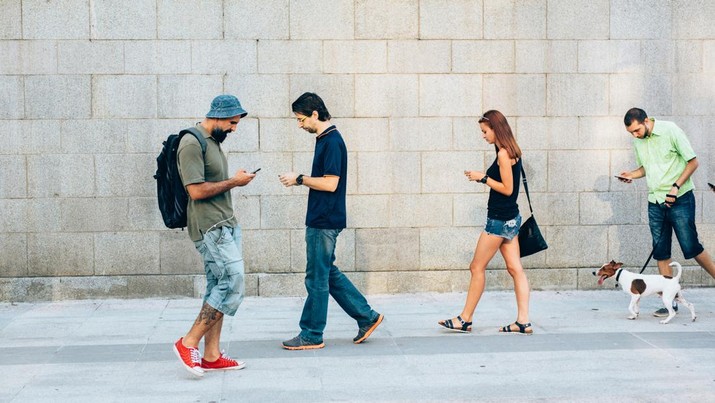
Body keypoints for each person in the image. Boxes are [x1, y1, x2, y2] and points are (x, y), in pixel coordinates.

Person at [278, 92, 383, 350]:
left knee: (316, 278)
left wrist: (299, 178)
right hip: (323, 217)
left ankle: (312, 333)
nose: (299, 124)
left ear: (315, 113)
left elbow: (331, 182)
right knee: (327, 273)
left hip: (324, 220)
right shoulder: (324, 139)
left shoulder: (332, 141)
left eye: (301, 119)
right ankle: (366, 316)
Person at [173, 94, 256, 377]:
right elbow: (195, 191)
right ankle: (188, 342)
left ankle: (211, 355)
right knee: (233, 282)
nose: (234, 128)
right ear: (219, 116)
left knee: (218, 285)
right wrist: (234, 181)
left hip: (225, 224)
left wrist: (234, 180)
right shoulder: (191, 143)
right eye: (232, 123)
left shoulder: (213, 142)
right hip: (210, 227)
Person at [439, 110, 533, 335]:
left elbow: (508, 189)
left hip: (499, 221)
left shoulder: (503, 154)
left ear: (496, 129)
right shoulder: (513, 150)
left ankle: (465, 318)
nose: (483, 136)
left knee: (476, 267)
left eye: (485, 131)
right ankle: (523, 322)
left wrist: (483, 177)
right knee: (515, 269)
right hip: (511, 219)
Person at [618, 107, 715, 317]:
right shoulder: (638, 141)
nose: (635, 136)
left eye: (636, 130)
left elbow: (693, 162)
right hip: (655, 201)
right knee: (660, 250)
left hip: (680, 198)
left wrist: (676, 186)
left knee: (692, 246)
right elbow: (646, 167)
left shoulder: (670, 130)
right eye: (631, 133)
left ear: (645, 121)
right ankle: (669, 302)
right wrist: (632, 175)